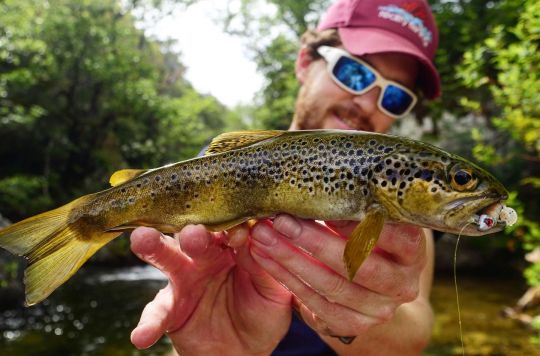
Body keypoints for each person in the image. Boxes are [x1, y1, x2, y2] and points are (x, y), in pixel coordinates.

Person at [129, 0, 441, 354]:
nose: (368, 102)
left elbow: (416, 330)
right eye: (356, 73)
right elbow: (182, 301)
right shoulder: (218, 169)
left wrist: (352, 323)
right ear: (306, 63)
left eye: (396, 98)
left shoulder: (405, 222)